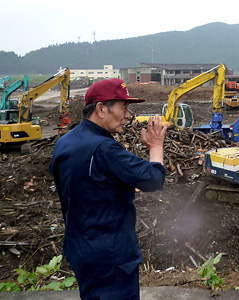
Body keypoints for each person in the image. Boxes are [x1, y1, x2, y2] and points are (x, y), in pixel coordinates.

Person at [50, 78, 168, 300]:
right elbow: (153, 178)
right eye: (124, 108)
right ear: (101, 109)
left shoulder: (65, 143)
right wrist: (156, 146)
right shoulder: (104, 149)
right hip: (111, 260)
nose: (128, 115)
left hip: (82, 251)